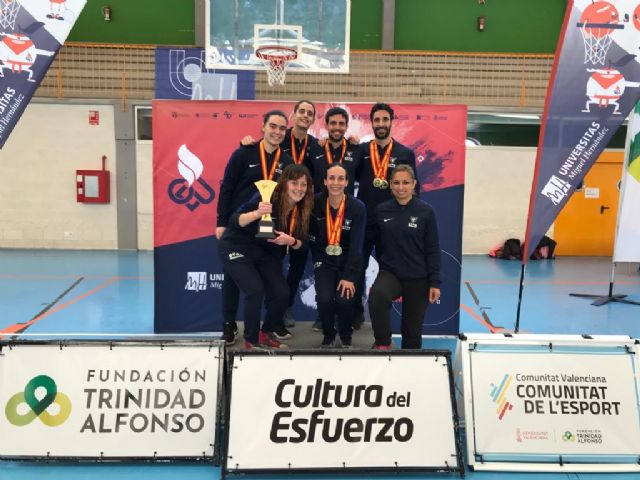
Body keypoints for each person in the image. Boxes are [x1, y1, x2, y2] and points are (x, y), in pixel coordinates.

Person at [216, 110, 293, 345]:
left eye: (282, 128)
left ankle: (266, 329)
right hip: (239, 226)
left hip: (267, 231)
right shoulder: (244, 153)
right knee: (233, 279)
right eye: (273, 126)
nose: (277, 132)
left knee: (271, 283)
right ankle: (229, 324)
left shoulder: (287, 162)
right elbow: (227, 187)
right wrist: (221, 221)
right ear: (263, 126)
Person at [240, 100, 317, 334]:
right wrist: (248, 144)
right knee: (270, 260)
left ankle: (285, 308)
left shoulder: (316, 145)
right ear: (293, 116)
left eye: (309, 113)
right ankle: (272, 313)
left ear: (313, 119)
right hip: (272, 207)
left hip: (302, 208)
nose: (305, 116)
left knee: (296, 264)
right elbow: (263, 148)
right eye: (301, 111)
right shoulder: (279, 140)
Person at [218, 164, 314, 350]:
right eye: (294, 183)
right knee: (254, 290)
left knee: (281, 293)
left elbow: (304, 245)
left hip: (264, 252)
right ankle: (251, 341)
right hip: (236, 245)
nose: (299, 188)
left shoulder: (304, 209)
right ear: (285, 183)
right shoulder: (267, 197)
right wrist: (257, 213)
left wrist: (291, 241)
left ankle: (266, 332)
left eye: (303, 184)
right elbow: (234, 220)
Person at [354, 103, 418, 329]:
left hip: (391, 224)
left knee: (388, 269)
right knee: (357, 266)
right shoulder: (360, 151)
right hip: (363, 222)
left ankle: (383, 317)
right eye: (377, 120)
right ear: (371, 123)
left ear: (392, 122)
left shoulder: (404, 153)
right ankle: (355, 314)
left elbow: (414, 193)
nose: (380, 124)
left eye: (384, 120)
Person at [368, 165, 441, 350]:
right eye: (397, 183)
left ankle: (410, 361)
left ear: (414, 184)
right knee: (377, 295)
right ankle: (383, 343)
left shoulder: (426, 211)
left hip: (419, 277)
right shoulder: (381, 211)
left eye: (406, 182)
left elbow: (432, 249)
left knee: (412, 331)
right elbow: (372, 242)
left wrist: (435, 282)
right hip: (391, 273)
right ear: (390, 185)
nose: (401, 187)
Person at [310, 163, 366, 348]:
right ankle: (328, 334)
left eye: (340, 178)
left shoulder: (357, 207)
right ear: (325, 181)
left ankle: (345, 335)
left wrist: (350, 276)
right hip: (324, 260)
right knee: (324, 298)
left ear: (347, 182)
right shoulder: (315, 203)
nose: (336, 183)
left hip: (348, 261)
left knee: (344, 299)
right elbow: (311, 237)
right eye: (331, 178)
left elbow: (357, 245)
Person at [307, 107, 361, 196]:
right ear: (326, 125)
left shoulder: (356, 150)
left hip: (346, 207)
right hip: (319, 207)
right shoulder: (315, 150)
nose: (337, 127)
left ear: (346, 127)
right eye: (333, 123)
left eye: (341, 124)